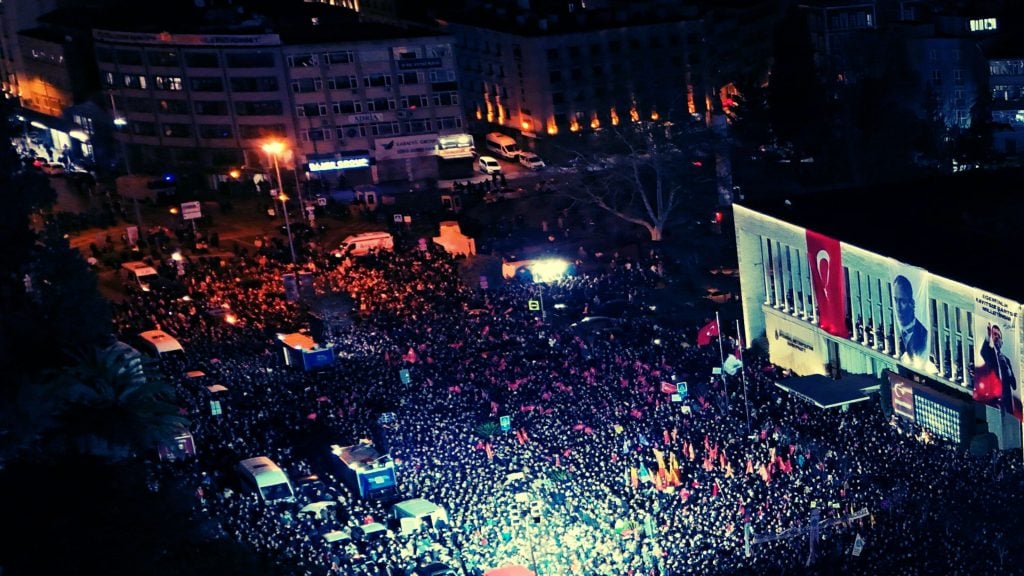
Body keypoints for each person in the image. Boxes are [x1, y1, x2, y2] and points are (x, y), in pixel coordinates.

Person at [979, 323, 1019, 416]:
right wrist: (987, 336)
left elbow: (1014, 385)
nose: (996, 337)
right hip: (995, 398)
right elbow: (983, 352)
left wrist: (1008, 369)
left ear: (1001, 341)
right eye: (994, 334)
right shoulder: (990, 353)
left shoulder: (1006, 359)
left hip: (1007, 399)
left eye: (998, 335)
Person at [893, 275, 928, 362]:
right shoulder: (897, 329)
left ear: (912, 303)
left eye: (903, 301)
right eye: (895, 301)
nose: (898, 307)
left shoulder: (923, 334)